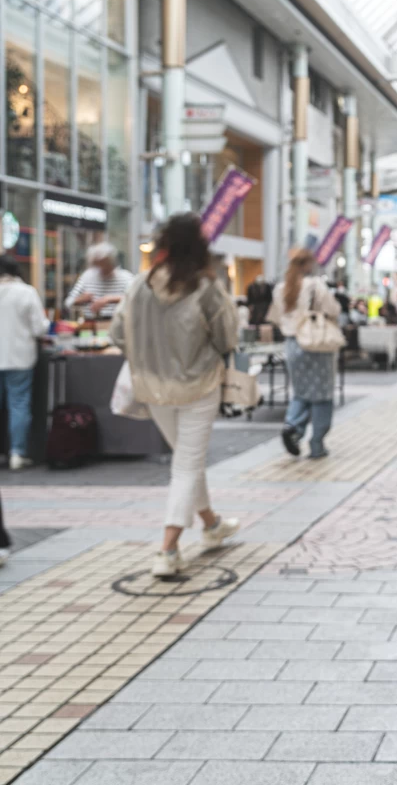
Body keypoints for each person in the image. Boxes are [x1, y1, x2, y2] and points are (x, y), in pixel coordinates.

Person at [110, 214, 240, 578]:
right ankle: (167, 549)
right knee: (186, 466)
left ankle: (212, 526)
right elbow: (227, 339)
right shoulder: (206, 287)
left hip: (152, 387)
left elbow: (118, 333)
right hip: (198, 386)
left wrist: (148, 353)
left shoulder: (139, 285)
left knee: (187, 463)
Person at [269, 249, 341, 460]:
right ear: (307, 264)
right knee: (322, 395)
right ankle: (317, 443)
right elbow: (333, 309)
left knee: (300, 392)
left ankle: (292, 427)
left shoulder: (280, 289)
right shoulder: (315, 286)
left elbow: (275, 317)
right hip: (315, 343)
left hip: (292, 344)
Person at [0, 256, 49, 470]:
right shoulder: (26, 292)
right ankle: (17, 453)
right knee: (18, 404)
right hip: (19, 357)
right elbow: (39, 328)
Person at [64, 241, 135, 320]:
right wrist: (81, 299)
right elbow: (68, 303)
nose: (101, 268)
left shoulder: (126, 278)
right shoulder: (87, 276)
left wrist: (109, 299)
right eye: (97, 264)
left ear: (112, 262)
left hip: (117, 321)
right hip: (90, 322)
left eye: (104, 264)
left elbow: (135, 299)